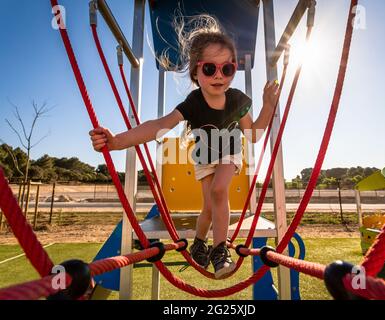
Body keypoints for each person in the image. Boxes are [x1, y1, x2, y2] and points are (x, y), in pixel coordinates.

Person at [90, 15, 280, 278]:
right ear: (195, 71)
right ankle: (200, 243)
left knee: (219, 190)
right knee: (208, 207)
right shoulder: (193, 102)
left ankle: (219, 250)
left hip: (229, 152)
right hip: (204, 155)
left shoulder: (237, 100)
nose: (219, 76)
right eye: (209, 68)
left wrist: (268, 105)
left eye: (227, 69)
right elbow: (160, 125)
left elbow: (255, 134)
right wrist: (118, 141)